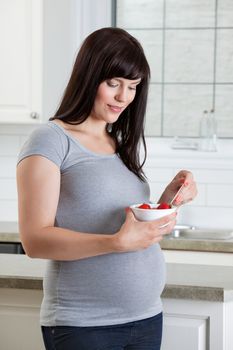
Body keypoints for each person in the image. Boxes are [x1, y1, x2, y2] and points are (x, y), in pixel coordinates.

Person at [17, 27, 197, 350]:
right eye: (113, 83)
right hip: (84, 325)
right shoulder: (51, 140)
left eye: (132, 87)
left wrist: (168, 198)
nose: (123, 97)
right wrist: (115, 243)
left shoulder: (119, 142)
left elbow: (128, 223)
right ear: (88, 76)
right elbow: (34, 240)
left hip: (146, 318)